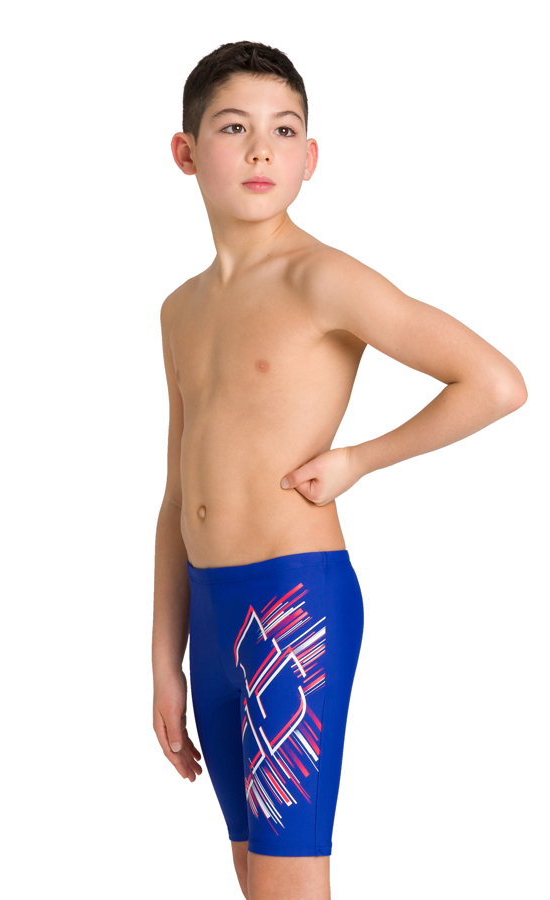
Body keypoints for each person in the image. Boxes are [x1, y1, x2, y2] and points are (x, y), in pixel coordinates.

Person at [151, 40, 527, 900]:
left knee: (290, 880)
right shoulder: (180, 310)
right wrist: (165, 658)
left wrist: (359, 459)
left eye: (284, 131)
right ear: (186, 151)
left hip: (293, 607)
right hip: (210, 614)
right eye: (234, 128)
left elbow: (495, 383)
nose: (261, 150)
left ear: (310, 157)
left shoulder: (320, 279)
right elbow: (175, 496)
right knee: (254, 874)